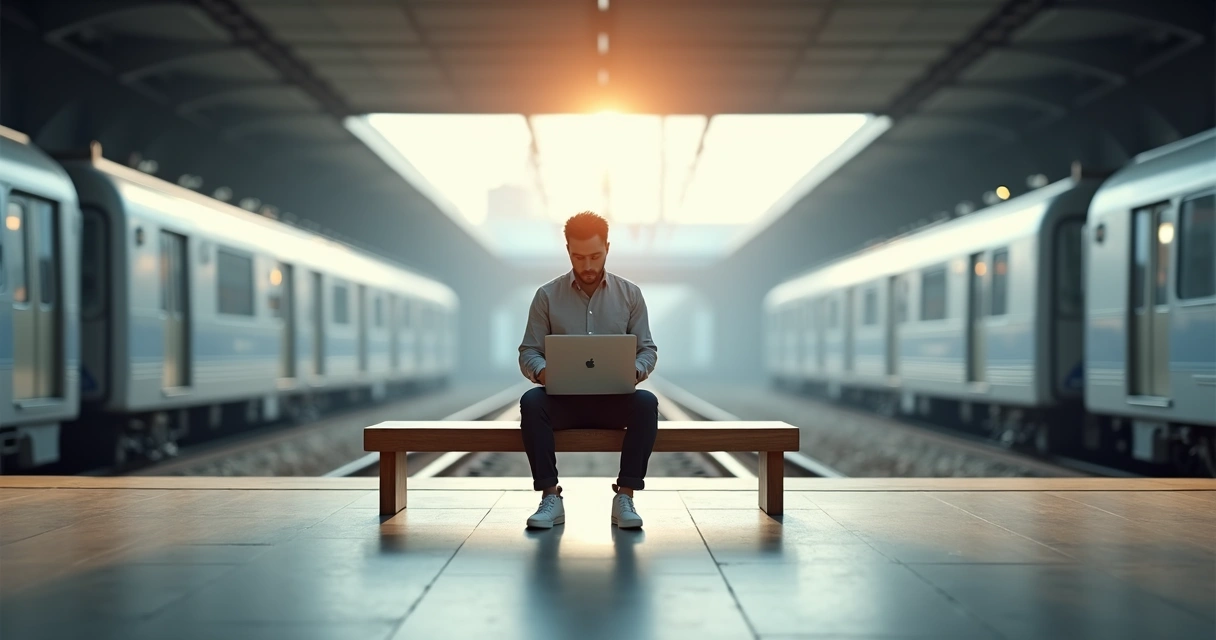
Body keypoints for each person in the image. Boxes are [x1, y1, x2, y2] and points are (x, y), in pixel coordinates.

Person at [518, 211, 659, 529]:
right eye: (579, 257)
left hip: (614, 401)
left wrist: (633, 371)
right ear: (568, 251)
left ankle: (625, 497)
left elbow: (647, 350)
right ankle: (550, 497)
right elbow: (529, 351)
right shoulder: (546, 297)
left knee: (647, 404)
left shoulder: (630, 295)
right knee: (531, 401)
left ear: (607, 248)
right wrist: (543, 373)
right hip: (563, 402)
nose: (588, 266)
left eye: (595, 255)